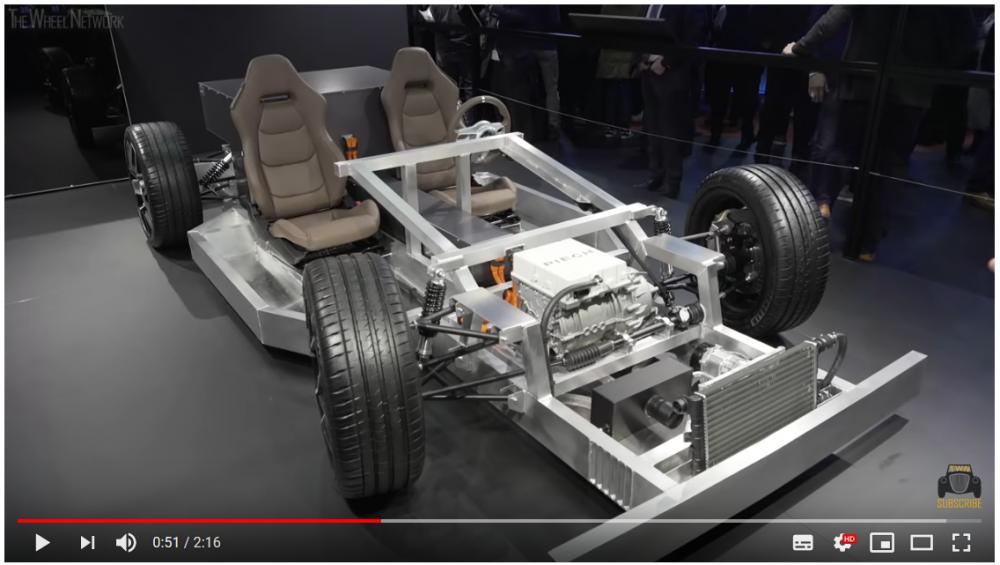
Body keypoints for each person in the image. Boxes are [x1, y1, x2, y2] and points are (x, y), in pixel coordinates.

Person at [784, 6, 977, 261]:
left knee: (843, 149)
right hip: (912, 87)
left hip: (862, 80)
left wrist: (800, 48)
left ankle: (823, 202)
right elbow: (966, 37)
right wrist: (936, 69)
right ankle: (867, 245)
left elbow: (834, 18)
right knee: (888, 164)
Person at [633, 5, 707, 198]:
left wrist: (666, 62)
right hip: (648, 72)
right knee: (652, 128)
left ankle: (671, 181)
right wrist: (638, 61)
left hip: (673, 74)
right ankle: (655, 176)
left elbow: (692, 39)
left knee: (671, 131)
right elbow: (637, 29)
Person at [704, 5, 763, 150]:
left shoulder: (729, 8)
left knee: (724, 99)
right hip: (746, 56)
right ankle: (743, 136)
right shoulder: (757, 9)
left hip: (731, 55)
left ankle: (717, 135)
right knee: (743, 100)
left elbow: (717, 28)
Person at [595, 5, 645, 140]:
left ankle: (609, 126)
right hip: (628, 54)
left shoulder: (607, 6)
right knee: (626, 92)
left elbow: (600, 27)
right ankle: (624, 127)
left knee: (610, 90)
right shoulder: (638, 6)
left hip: (609, 53)